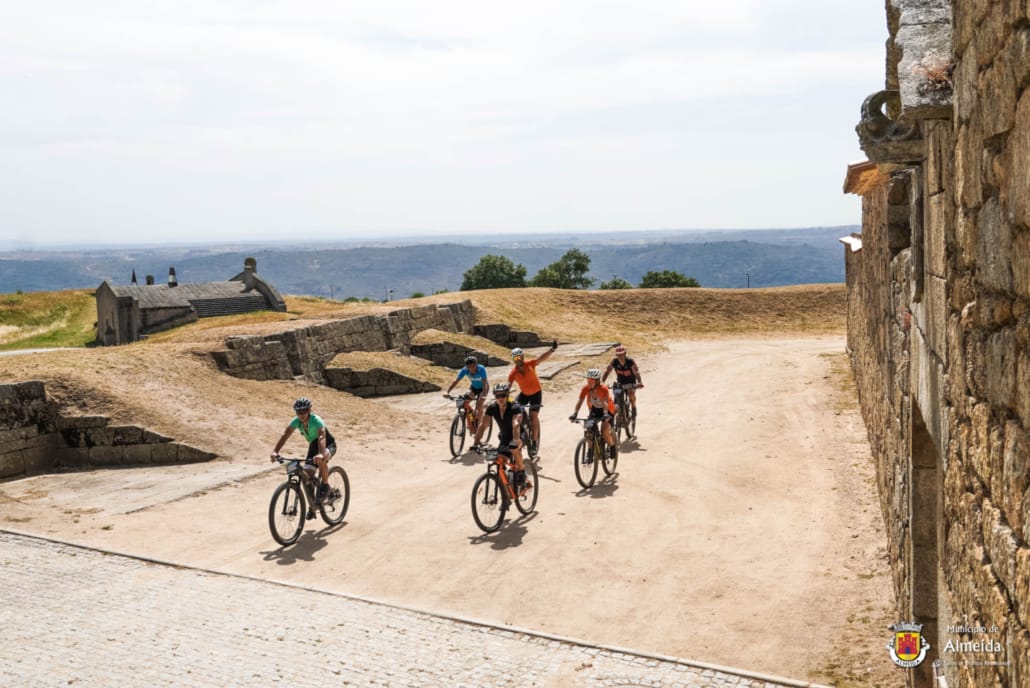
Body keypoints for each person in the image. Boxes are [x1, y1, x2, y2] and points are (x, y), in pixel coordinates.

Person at [270, 397, 337, 502]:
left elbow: (321, 437)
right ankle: (313, 504)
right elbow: (285, 435)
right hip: (314, 445)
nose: (301, 414)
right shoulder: (296, 421)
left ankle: (325, 485)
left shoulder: (317, 421)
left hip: (328, 444)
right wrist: (275, 451)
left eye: (304, 411)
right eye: (298, 412)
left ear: (309, 410)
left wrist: (321, 454)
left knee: (321, 460)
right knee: (307, 475)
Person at [475, 382, 530, 493]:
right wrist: (475, 443)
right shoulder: (492, 408)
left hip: (518, 435)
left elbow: (515, 424)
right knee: (499, 462)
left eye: (503, 395)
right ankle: (506, 497)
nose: (500, 398)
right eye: (497, 396)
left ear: (507, 395)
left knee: (514, 449)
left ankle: (522, 471)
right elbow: (483, 425)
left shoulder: (514, 407)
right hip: (505, 437)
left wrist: (515, 440)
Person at [507, 340, 557, 451]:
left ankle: (534, 441)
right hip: (524, 394)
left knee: (534, 416)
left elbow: (541, 358)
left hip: (536, 394)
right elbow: (508, 387)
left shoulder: (529, 364)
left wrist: (552, 349)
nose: (518, 360)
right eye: (516, 358)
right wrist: (505, 397)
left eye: (520, 357)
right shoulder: (513, 373)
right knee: (516, 411)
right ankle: (521, 430)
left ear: (523, 357)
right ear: (513, 360)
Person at [443, 355, 489, 446]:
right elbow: (456, 381)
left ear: (476, 364)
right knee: (465, 402)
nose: (471, 369)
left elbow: (484, 383)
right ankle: (471, 420)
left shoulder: (481, 369)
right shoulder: (464, 370)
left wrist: (483, 396)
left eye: (473, 366)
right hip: (474, 388)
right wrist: (447, 392)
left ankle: (479, 427)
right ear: (466, 366)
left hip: (483, 388)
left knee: (479, 405)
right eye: (469, 367)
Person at [569, 368, 617, 454]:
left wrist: (605, 415)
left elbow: (605, 403)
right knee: (589, 431)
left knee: (604, 431)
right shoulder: (585, 388)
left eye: (592, 380)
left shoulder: (603, 389)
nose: (589, 382)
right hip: (596, 409)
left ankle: (612, 446)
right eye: (588, 379)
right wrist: (575, 413)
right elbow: (580, 401)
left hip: (608, 409)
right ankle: (590, 451)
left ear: (598, 381)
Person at [601, 345, 643, 418]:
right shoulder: (614, 361)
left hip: (631, 382)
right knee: (616, 398)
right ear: (616, 355)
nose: (620, 356)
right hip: (620, 383)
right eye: (618, 355)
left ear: (625, 354)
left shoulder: (630, 361)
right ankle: (617, 417)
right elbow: (607, 371)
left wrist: (639, 382)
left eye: (622, 354)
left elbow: (636, 372)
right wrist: (602, 382)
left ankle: (633, 407)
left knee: (631, 394)